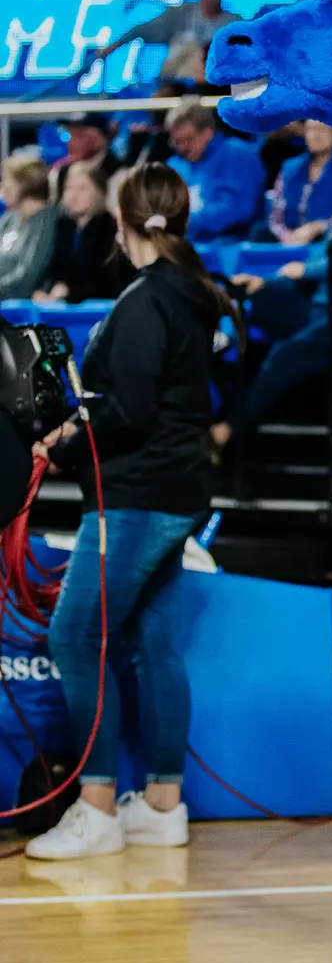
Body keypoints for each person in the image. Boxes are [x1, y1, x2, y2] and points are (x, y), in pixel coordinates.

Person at [23, 164, 230, 860]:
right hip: (174, 491)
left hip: (138, 497)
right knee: (149, 643)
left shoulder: (148, 299)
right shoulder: (190, 290)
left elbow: (128, 413)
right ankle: (163, 807)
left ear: (123, 221)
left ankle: (98, 808)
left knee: (75, 637)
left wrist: (65, 445)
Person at [212, 148, 332, 448]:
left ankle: (227, 430)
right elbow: (321, 261)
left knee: (286, 354)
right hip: (322, 305)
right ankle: (219, 377)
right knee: (251, 300)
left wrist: (305, 270)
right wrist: (264, 283)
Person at [96, 0, 239, 82]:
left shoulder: (235, 24)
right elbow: (141, 30)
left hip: (219, 85)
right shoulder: (181, 14)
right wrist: (113, 46)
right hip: (177, 84)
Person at [163, 101, 266, 243]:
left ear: (208, 132)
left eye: (188, 139)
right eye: (177, 142)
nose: (182, 147)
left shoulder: (237, 155)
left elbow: (238, 210)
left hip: (232, 242)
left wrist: (188, 221)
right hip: (186, 243)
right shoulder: (175, 165)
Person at [41, 162, 127, 304]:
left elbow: (106, 282)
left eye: (82, 188)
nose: (73, 195)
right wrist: (53, 289)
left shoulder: (109, 228)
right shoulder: (64, 227)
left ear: (100, 192)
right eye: (69, 188)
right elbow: (56, 270)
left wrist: (69, 294)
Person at [268, 120, 332, 246]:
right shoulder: (290, 168)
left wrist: (319, 227)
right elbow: (276, 218)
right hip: (291, 245)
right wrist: (287, 237)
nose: (314, 135)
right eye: (310, 129)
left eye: (321, 129)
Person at [0, 155, 60, 300]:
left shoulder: (46, 221)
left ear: (26, 184)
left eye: (8, 181)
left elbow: (28, 276)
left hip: (21, 304)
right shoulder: (10, 218)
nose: (3, 188)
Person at [50, 112, 122, 200]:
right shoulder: (63, 171)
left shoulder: (118, 172)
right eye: (70, 134)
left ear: (97, 139)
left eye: (79, 134)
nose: (71, 141)